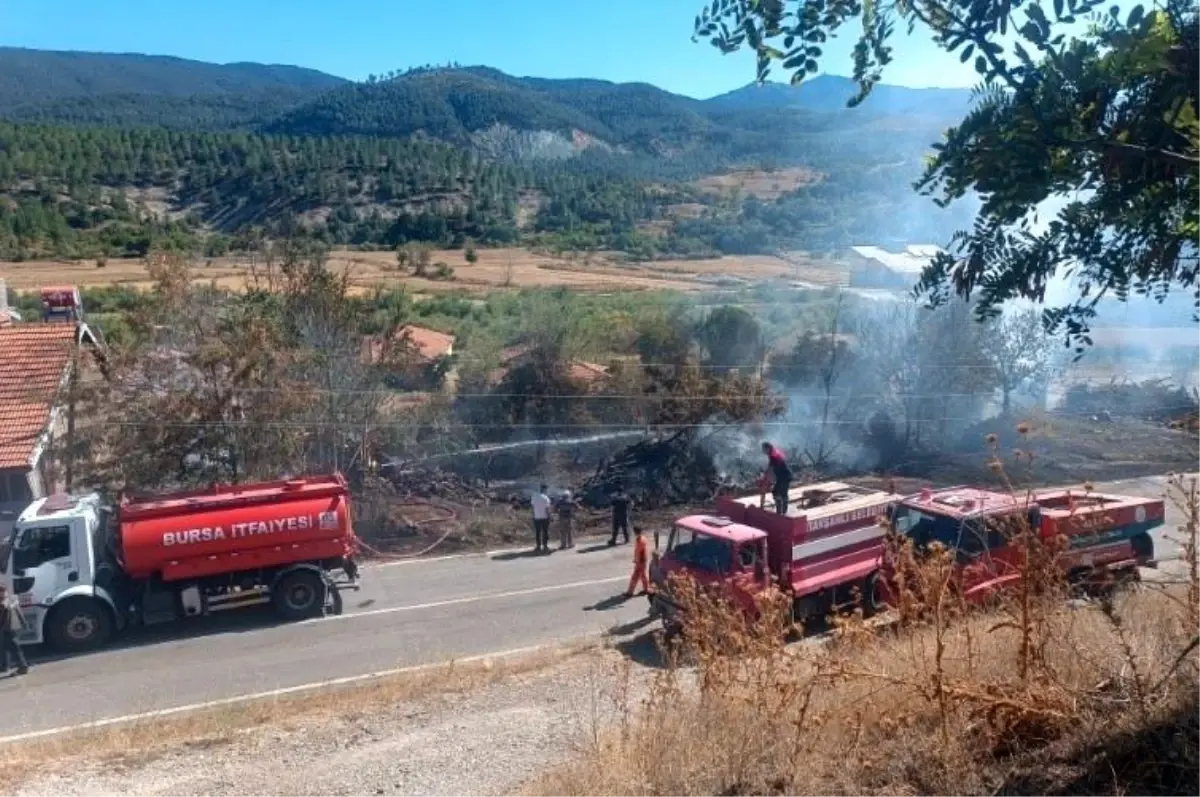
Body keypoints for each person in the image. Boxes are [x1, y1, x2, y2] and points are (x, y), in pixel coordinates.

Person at [0, 584, 28, 677]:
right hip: (12, 627)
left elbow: (5, 608)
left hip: (8, 628)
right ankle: (5, 666)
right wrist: (24, 623)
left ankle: (23, 666)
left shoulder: (4, 602)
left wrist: (24, 623)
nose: (2, 593)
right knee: (5, 646)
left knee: (14, 647)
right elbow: (19, 612)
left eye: (2, 591)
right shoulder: (13, 600)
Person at [761, 441, 793, 515]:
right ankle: (781, 511)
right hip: (782, 476)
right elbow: (771, 467)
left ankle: (782, 512)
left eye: (763, 449)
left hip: (785, 476)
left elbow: (770, 470)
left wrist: (765, 480)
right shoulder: (773, 453)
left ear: (768, 448)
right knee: (780, 493)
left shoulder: (773, 455)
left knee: (778, 493)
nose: (763, 451)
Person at [626, 526, 652, 598]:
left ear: (635, 532)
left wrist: (636, 560)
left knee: (635, 576)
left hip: (640, 561)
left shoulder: (639, 540)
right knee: (643, 576)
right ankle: (647, 589)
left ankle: (630, 592)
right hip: (644, 560)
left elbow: (638, 552)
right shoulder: (643, 538)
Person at [531, 484, 552, 553]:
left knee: (538, 532)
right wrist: (550, 516)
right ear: (545, 489)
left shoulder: (534, 496)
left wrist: (533, 515)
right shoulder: (546, 498)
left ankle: (538, 546)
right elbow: (547, 509)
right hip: (544, 517)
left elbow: (533, 507)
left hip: (537, 517)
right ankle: (545, 546)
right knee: (545, 532)